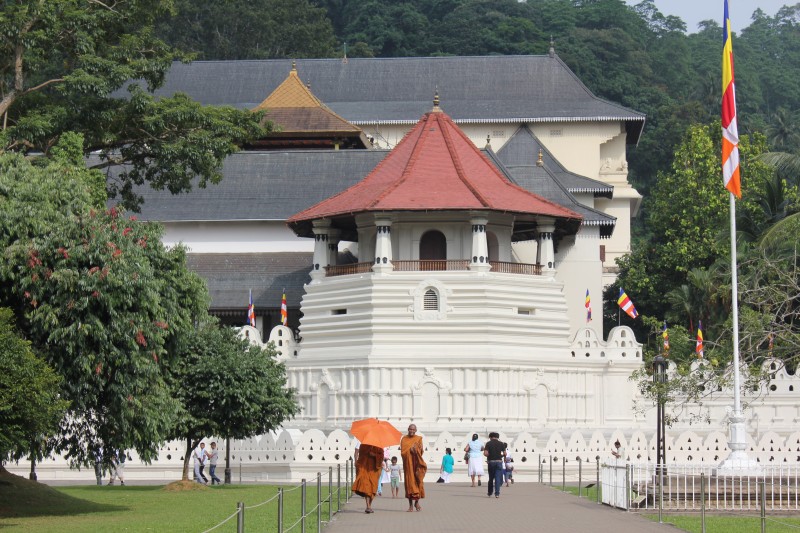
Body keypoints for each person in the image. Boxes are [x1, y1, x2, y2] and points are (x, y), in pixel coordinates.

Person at [400, 423, 427, 512]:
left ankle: (417, 502)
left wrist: (416, 450)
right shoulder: (404, 439)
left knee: (418, 482)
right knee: (409, 485)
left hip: (416, 464)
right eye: (410, 429)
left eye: (413, 430)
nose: (411, 431)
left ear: (415, 430)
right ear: (408, 429)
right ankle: (411, 505)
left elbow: (421, 451)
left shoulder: (418, 439)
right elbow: (403, 453)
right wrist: (409, 451)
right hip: (408, 466)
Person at [352, 443, 384, 513]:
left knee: (373, 488)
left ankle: (369, 505)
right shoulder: (363, 445)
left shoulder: (379, 446)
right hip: (365, 469)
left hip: (374, 470)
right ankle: (368, 506)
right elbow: (360, 455)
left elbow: (381, 457)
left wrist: (374, 455)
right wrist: (357, 461)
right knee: (366, 487)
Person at [483, 432, 505, 498]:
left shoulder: (488, 443)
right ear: (497, 437)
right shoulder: (501, 443)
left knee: (491, 478)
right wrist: (500, 455)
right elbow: (505, 453)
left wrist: (490, 455)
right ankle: (497, 494)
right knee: (497, 478)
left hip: (491, 462)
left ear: (490, 437)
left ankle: (490, 492)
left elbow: (485, 453)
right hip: (499, 462)